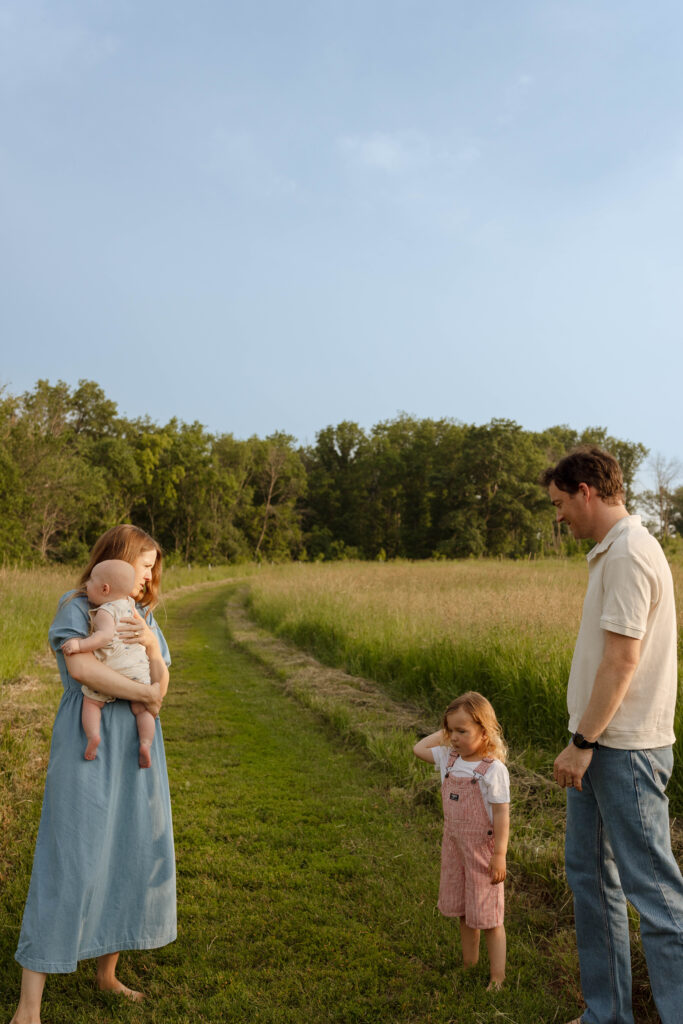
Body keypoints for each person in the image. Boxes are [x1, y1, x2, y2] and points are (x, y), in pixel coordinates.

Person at [10, 525, 176, 1024]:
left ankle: (107, 972)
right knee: (71, 856)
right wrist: (144, 694)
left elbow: (163, 679)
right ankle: (28, 1008)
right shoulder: (77, 605)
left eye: (151, 569)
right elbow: (81, 671)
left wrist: (149, 653)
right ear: (117, 561)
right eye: (143, 565)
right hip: (89, 742)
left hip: (137, 747)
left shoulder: (145, 617)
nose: (148, 577)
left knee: (127, 847)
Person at [542, 445, 683, 1024]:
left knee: (655, 896)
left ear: (586, 492)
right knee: (590, 880)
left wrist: (582, 744)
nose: (558, 516)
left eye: (559, 503)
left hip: (622, 751)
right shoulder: (612, 551)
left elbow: (622, 661)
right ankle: (607, 1014)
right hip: (603, 747)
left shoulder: (627, 553)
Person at [413, 691, 510, 990]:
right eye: (449, 730)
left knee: (489, 915)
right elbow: (418, 748)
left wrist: (500, 855)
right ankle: (469, 964)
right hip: (454, 847)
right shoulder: (448, 758)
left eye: (462, 731)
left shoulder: (493, 770)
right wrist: (447, 731)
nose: (453, 737)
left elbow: (502, 815)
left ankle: (498, 977)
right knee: (464, 911)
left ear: (484, 731)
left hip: (483, 852)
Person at [61, 558, 156, 768]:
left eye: (92, 581)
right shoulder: (131, 606)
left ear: (105, 588)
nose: (87, 585)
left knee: (92, 702)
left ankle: (93, 737)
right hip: (138, 671)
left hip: (114, 670)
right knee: (143, 710)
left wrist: (79, 645)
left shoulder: (105, 611)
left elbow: (103, 637)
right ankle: (146, 743)